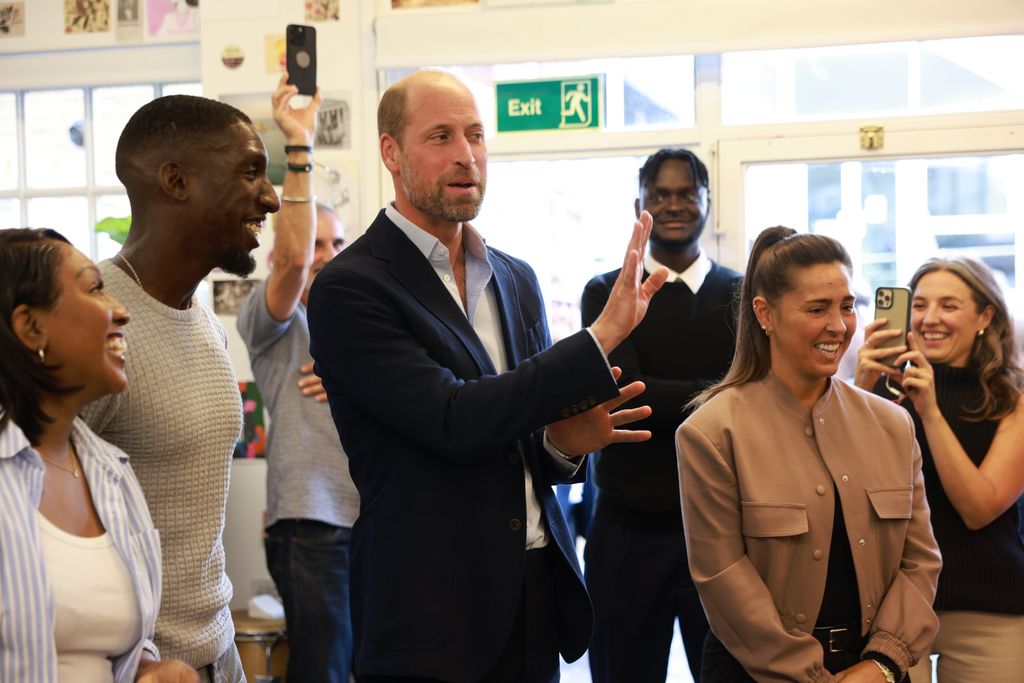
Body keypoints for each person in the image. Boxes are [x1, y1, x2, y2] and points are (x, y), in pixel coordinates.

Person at [306, 69, 669, 682]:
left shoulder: (514, 277)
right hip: (429, 613)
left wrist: (562, 445)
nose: (466, 155)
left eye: (475, 135)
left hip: (535, 594)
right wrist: (599, 336)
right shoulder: (350, 287)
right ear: (391, 152)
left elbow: (520, 437)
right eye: (441, 136)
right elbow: (454, 419)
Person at [676, 226, 941, 683]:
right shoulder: (711, 432)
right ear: (765, 313)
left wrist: (882, 662)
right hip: (755, 672)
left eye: (847, 306)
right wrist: (809, 675)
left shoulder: (893, 425)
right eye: (817, 309)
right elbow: (723, 578)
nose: (838, 326)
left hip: (873, 669)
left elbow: (920, 561)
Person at [81, 93, 281, 682]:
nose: (269, 196)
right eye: (250, 171)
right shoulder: (95, 324)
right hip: (136, 667)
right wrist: (135, 660)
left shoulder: (202, 320)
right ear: (176, 181)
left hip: (216, 651)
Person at [0, 228, 197, 683]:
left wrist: (148, 668)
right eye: (94, 289)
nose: (122, 311)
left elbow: (107, 644)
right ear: (31, 327)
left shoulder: (112, 472)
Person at [581, 148, 741, 682]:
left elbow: (752, 400)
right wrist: (718, 393)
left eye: (687, 194)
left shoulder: (741, 294)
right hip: (626, 531)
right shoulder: (606, 292)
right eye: (660, 195)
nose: (674, 205)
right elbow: (626, 397)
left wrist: (717, 396)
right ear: (640, 206)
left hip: (722, 534)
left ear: (707, 202)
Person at [237, 76, 359, 683]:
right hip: (312, 527)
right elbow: (289, 261)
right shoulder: (274, 321)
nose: (325, 255)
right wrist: (299, 144)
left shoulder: (367, 327)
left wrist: (354, 388)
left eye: (336, 243)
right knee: (325, 674)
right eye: (315, 243)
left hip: (376, 520)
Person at [855, 257, 1024, 683]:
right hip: (891, 607)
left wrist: (929, 412)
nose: (930, 318)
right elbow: (841, 488)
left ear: (985, 316)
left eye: (949, 305)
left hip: (987, 607)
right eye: (920, 305)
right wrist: (857, 391)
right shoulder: (877, 393)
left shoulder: (1012, 400)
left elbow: (978, 509)